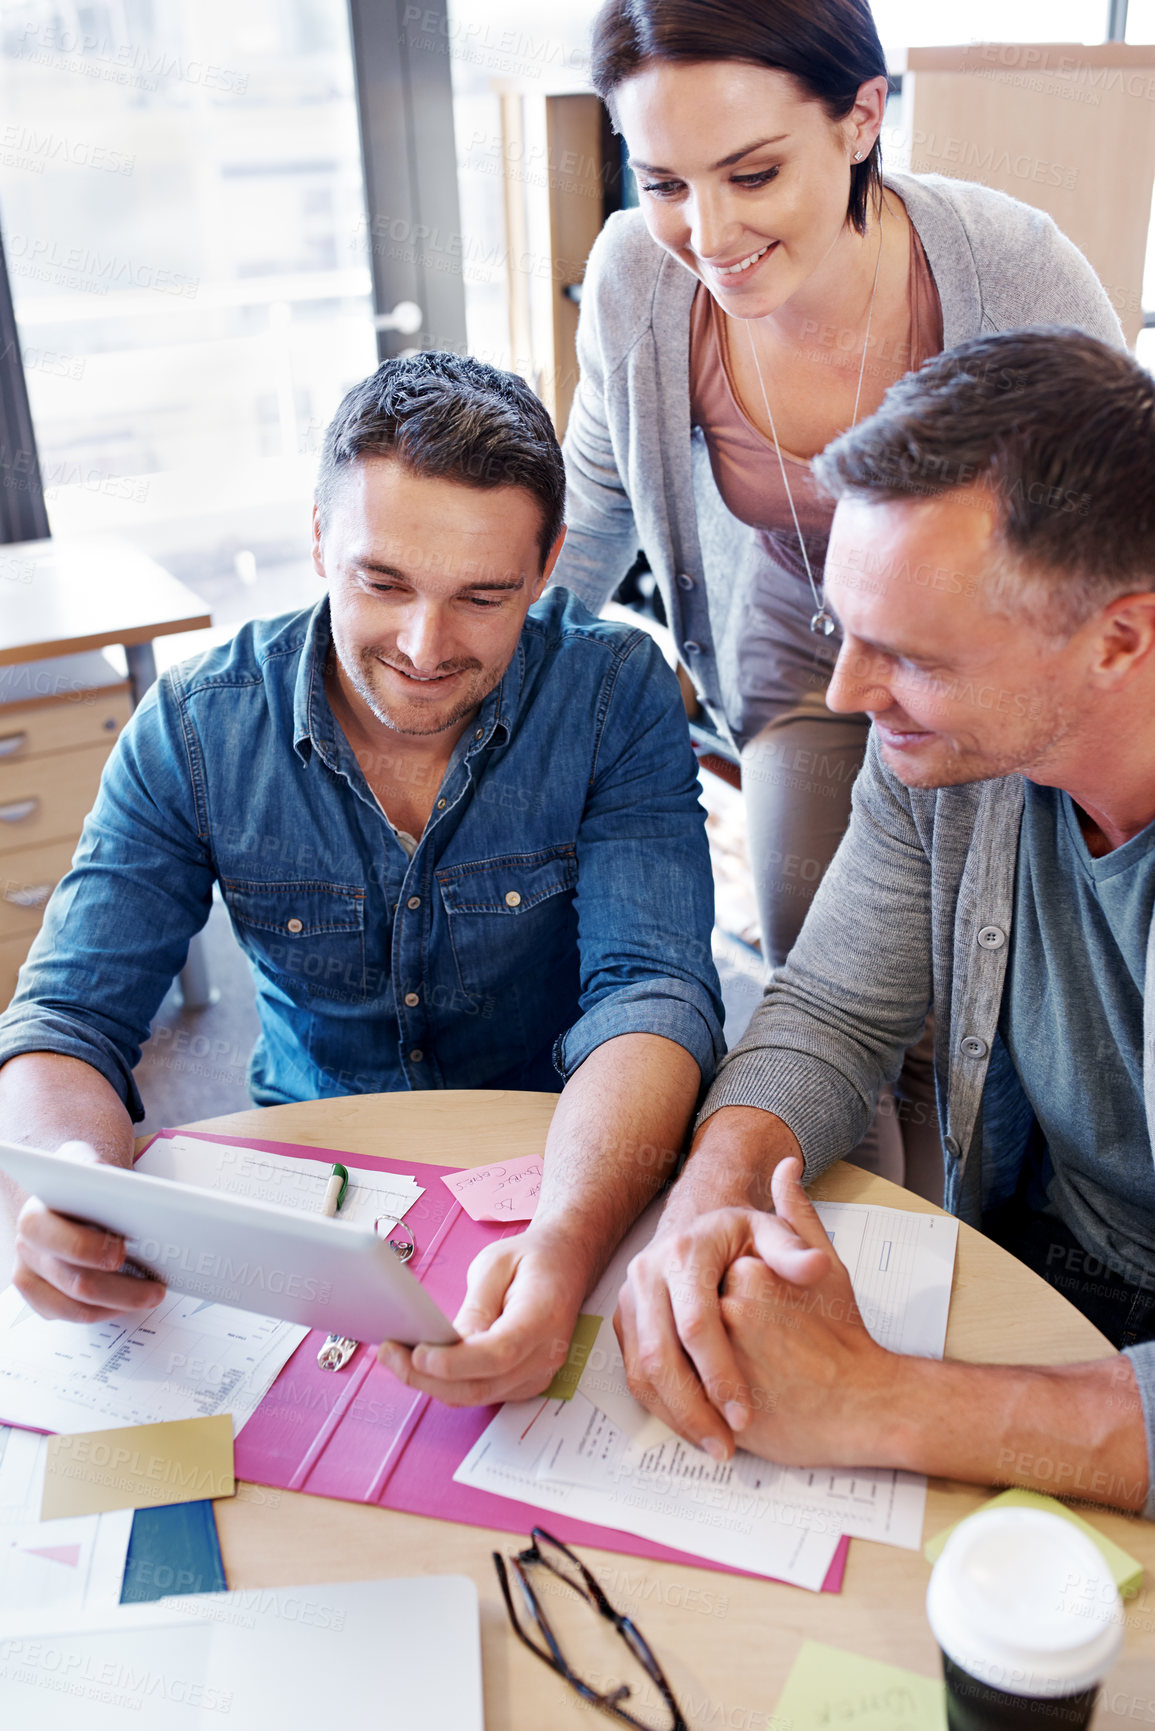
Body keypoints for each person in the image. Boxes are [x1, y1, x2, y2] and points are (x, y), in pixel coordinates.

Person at [0, 351, 725, 1412]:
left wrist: (565, 1242)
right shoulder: (199, 726)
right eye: (382, 583)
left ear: (550, 563)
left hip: (560, 1165)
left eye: (484, 597)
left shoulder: (615, 693)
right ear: (317, 540)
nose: (425, 649)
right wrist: (63, 1183)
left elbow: (651, 993)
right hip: (304, 1187)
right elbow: (66, 1018)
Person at [552, 0, 1123, 1192]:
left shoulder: (1008, 266)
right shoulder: (636, 283)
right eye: (662, 182)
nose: (706, 231)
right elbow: (594, 494)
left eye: (752, 173)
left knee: (963, 994)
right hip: (788, 628)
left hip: (984, 645)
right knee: (830, 970)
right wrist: (505, 674)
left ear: (864, 116)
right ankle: (854, 1255)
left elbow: (1115, 515)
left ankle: (956, 1230)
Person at [614, 327, 1155, 1515]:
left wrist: (877, 1400)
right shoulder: (950, 758)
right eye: (843, 632)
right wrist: (705, 1210)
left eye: (907, 655)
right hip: (1034, 1269)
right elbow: (827, 1011)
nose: (851, 695)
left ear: (1120, 637)